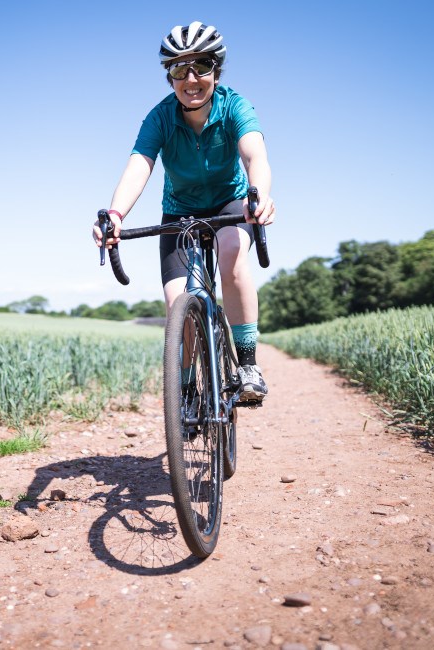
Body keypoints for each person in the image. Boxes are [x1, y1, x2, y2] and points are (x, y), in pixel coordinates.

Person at [93, 21, 275, 401]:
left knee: (231, 255)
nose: (191, 78)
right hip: (180, 213)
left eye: (202, 66)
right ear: (170, 77)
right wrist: (116, 215)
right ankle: (187, 386)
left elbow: (254, 153)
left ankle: (247, 364)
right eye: (179, 69)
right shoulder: (160, 117)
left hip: (230, 204)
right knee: (178, 300)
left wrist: (258, 197)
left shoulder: (234, 106)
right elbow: (139, 165)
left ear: (216, 70)